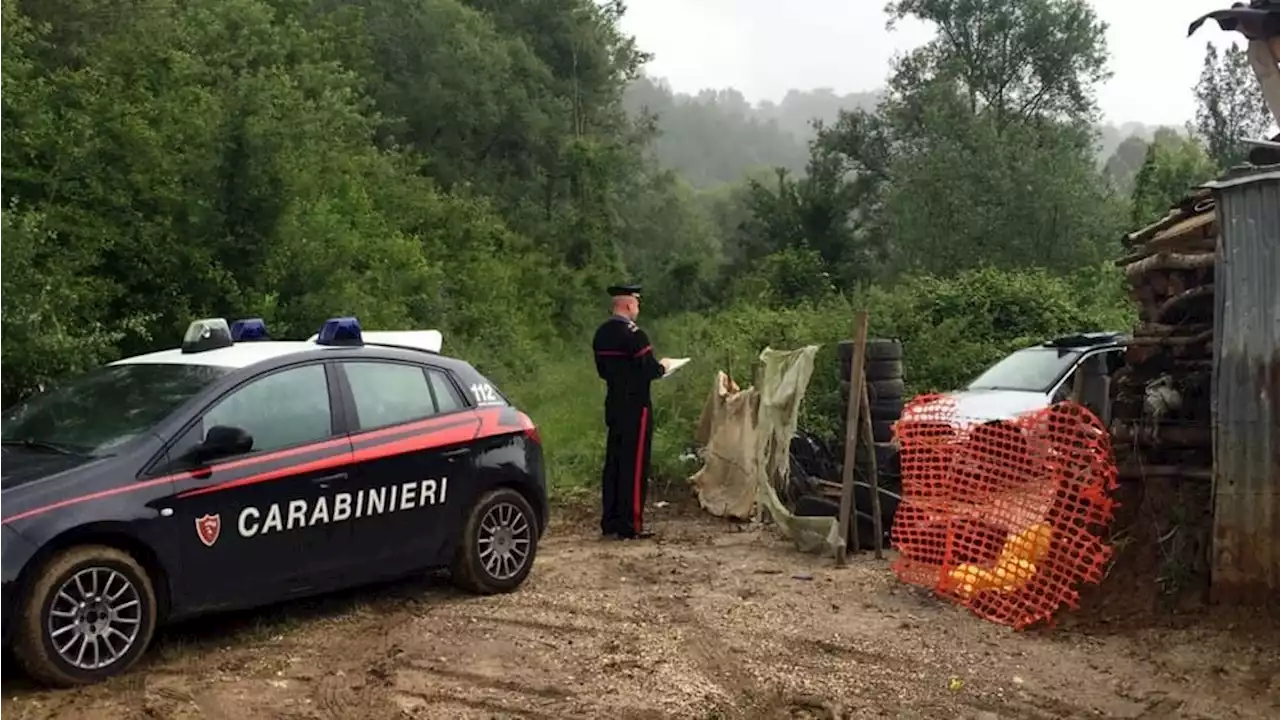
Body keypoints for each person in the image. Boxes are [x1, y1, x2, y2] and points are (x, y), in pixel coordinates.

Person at [592, 284, 671, 540]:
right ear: (628, 305)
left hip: (614, 403)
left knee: (614, 462)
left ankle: (611, 520)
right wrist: (663, 368)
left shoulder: (601, 334)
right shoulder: (635, 335)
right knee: (635, 464)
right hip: (636, 405)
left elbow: (603, 371)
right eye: (637, 303)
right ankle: (631, 523)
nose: (638, 308)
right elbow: (648, 369)